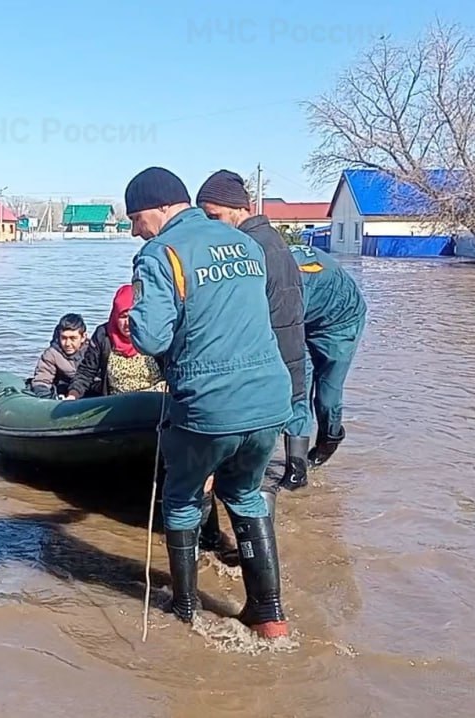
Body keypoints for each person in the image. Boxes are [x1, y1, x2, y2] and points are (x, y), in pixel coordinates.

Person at [123, 166, 292, 638]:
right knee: (244, 494)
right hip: (270, 397)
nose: (136, 232)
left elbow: (153, 336)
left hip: (209, 403)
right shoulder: (245, 243)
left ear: (160, 207)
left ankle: (185, 612)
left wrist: (136, 318)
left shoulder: (160, 254)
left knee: (180, 500)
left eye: (137, 219)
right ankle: (269, 614)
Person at [196, 169, 310, 488]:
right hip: (283, 364)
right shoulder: (270, 240)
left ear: (238, 209)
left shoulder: (248, 248)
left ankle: (224, 536)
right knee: (251, 472)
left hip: (266, 370)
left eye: (214, 215)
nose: (211, 225)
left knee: (244, 479)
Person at [286, 242, 368, 478]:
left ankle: (329, 439)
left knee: (327, 397)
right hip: (302, 321)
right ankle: (296, 467)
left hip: (340, 323)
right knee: (297, 389)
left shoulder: (291, 281)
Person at [63, 284, 166, 399]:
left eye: (132, 316)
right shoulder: (103, 335)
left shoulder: (154, 333)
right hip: (117, 401)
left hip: (156, 398)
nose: (127, 323)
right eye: (123, 316)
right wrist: (73, 395)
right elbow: (86, 371)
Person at [29, 313, 91, 398]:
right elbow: (41, 381)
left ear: (83, 337)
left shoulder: (93, 351)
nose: (68, 344)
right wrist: (47, 398)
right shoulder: (52, 354)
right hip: (63, 395)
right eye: (64, 338)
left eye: (73, 338)